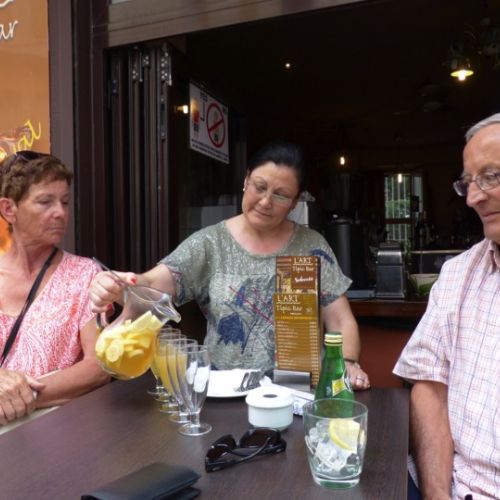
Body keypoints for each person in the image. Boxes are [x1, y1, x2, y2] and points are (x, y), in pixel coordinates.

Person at [89, 141, 370, 389]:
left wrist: (347, 362)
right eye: (259, 187)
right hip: (223, 392)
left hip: (296, 391)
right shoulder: (210, 243)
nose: (265, 201)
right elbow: (154, 284)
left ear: (295, 202)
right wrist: (121, 285)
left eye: (281, 195)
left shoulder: (312, 246)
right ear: (246, 180)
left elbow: (340, 320)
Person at [394, 114, 500, 500]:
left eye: (492, 176)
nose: (473, 198)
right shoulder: (457, 275)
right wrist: (437, 496)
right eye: (469, 182)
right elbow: (429, 386)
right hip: (451, 486)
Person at [0, 151, 109, 426]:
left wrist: (23, 398)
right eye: (45, 202)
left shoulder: (85, 275)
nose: (60, 212)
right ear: (9, 209)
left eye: (64, 202)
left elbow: (99, 366)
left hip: (58, 432)